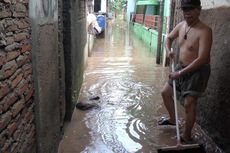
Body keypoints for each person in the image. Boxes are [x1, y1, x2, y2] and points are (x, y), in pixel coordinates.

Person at [158, 0, 213, 143]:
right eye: (184, 9)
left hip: (197, 71)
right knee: (165, 93)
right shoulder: (181, 25)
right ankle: (172, 120)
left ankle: (186, 135)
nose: (187, 12)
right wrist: (168, 50)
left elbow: (203, 58)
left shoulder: (205, 31)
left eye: (191, 9)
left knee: (189, 104)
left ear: (199, 10)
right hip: (180, 68)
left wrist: (180, 74)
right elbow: (169, 38)